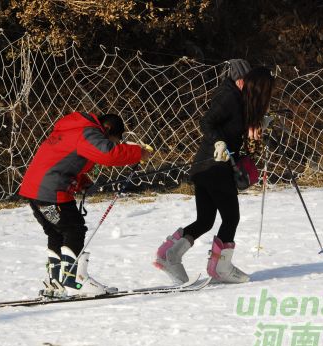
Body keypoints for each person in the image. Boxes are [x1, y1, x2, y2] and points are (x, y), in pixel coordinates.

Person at [154, 60, 275, 284]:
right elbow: (206, 122)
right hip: (213, 166)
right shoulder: (229, 97)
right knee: (231, 217)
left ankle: (169, 255)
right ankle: (220, 268)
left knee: (205, 220)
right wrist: (219, 143)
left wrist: (259, 124)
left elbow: (233, 126)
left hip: (211, 167)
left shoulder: (240, 99)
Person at [19, 112, 150, 296]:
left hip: (35, 192)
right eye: (115, 139)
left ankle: (56, 282)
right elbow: (108, 154)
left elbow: (64, 160)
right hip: (50, 192)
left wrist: (82, 183)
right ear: (108, 129)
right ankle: (74, 281)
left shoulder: (72, 130)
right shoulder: (87, 132)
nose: (115, 143)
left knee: (57, 231)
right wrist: (138, 153)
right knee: (74, 229)